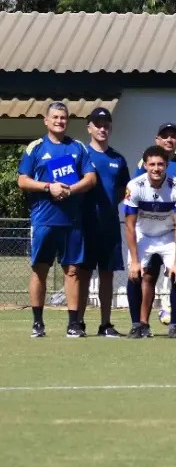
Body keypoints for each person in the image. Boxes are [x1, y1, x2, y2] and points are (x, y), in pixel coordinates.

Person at [17, 102, 98, 338]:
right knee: (40, 270)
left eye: (63, 118)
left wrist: (71, 190)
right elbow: (22, 180)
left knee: (72, 271)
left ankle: (73, 323)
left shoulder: (78, 147)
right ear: (46, 120)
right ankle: (38, 323)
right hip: (44, 220)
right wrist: (48, 187)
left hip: (72, 222)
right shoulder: (36, 148)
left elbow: (91, 178)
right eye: (55, 117)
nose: (59, 121)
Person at [136, 122, 176, 327]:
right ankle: (142, 323)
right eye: (165, 136)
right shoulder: (143, 163)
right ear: (157, 140)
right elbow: (137, 192)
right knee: (148, 275)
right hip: (150, 231)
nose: (169, 140)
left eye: (173, 136)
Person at [122, 146, 176, 338]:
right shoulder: (134, 186)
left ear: (167, 165)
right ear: (145, 165)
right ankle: (138, 325)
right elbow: (130, 226)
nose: (156, 168)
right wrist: (134, 261)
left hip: (169, 235)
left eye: (160, 164)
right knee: (134, 274)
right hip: (144, 235)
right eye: (152, 164)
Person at [79, 107, 131, 338]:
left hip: (109, 225)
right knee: (82, 274)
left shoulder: (118, 159)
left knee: (107, 275)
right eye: (97, 124)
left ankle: (105, 324)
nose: (102, 128)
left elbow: (121, 191)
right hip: (84, 225)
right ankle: (77, 322)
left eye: (106, 124)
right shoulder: (80, 154)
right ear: (89, 127)